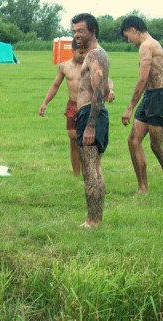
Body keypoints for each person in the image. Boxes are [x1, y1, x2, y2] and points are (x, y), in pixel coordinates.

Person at [40, 40, 116, 178]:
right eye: (80, 53)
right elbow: (55, 85)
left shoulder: (90, 65)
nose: (83, 56)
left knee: (87, 143)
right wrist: (45, 103)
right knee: (74, 140)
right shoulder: (64, 66)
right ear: (73, 51)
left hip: (87, 105)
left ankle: (89, 171)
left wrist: (110, 90)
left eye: (84, 53)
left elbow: (107, 79)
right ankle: (76, 174)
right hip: (72, 106)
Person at [120, 16, 163, 195]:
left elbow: (144, 78)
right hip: (152, 95)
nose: (129, 40)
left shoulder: (147, 46)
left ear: (134, 30)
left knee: (156, 146)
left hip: (159, 96)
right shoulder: (154, 45)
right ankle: (143, 188)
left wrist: (129, 107)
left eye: (128, 36)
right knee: (133, 140)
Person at [73, 13, 111, 228]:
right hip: (92, 113)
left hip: (90, 114)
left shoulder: (94, 55)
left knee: (89, 171)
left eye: (81, 30)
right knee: (95, 169)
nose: (76, 34)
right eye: (74, 31)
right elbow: (104, 87)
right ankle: (96, 219)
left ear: (93, 31)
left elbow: (97, 90)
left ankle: (93, 221)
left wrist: (90, 125)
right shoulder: (98, 54)